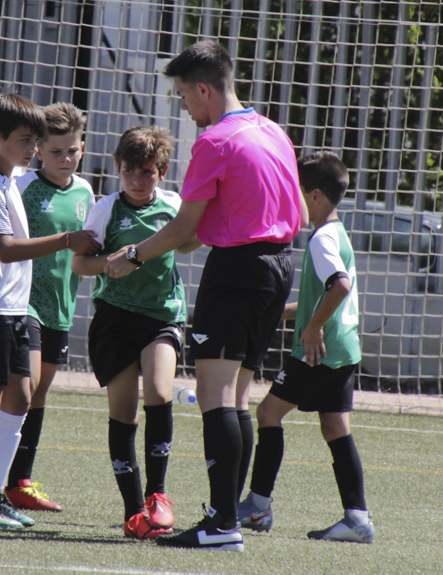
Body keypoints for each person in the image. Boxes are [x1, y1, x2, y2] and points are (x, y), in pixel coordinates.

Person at [104, 41, 308, 552]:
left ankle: (220, 525)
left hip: (236, 271)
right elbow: (301, 215)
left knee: (215, 398)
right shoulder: (274, 131)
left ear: (203, 88)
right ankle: (228, 516)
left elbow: (182, 229)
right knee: (238, 396)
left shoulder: (215, 141)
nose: (184, 108)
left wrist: (132, 255)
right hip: (280, 266)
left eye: (183, 96)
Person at [0, 92, 99, 530]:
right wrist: (68, 240)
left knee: (21, 395)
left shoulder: (6, 177)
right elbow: (5, 248)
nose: (34, 149)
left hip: (12, 308)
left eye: (38, 140)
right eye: (26, 140)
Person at [237, 152, 374, 543]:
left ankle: (259, 505)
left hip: (320, 351)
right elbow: (331, 293)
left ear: (314, 196)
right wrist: (277, 312)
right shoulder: (338, 233)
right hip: (344, 349)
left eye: (294, 192)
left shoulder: (320, 239)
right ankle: (357, 518)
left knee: (267, 412)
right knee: (334, 427)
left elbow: (340, 285)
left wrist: (312, 328)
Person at [72, 125, 202, 540]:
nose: (137, 180)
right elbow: (80, 264)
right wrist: (111, 262)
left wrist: (198, 228)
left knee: (160, 393)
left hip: (161, 316)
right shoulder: (106, 208)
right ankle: (134, 513)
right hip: (114, 319)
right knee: (123, 412)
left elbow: (187, 242)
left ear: (161, 172)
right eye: (129, 170)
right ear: (118, 169)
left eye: (146, 172)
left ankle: (157, 496)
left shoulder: (172, 206)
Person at [3, 103, 97, 512]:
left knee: (37, 395)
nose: (65, 159)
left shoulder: (85, 191)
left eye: (72, 151)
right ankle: (3, 479)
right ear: (39, 150)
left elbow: (89, 245)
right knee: (24, 388)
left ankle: (18, 479)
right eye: (56, 152)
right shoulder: (21, 186)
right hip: (24, 303)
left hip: (62, 307)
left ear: (82, 148)